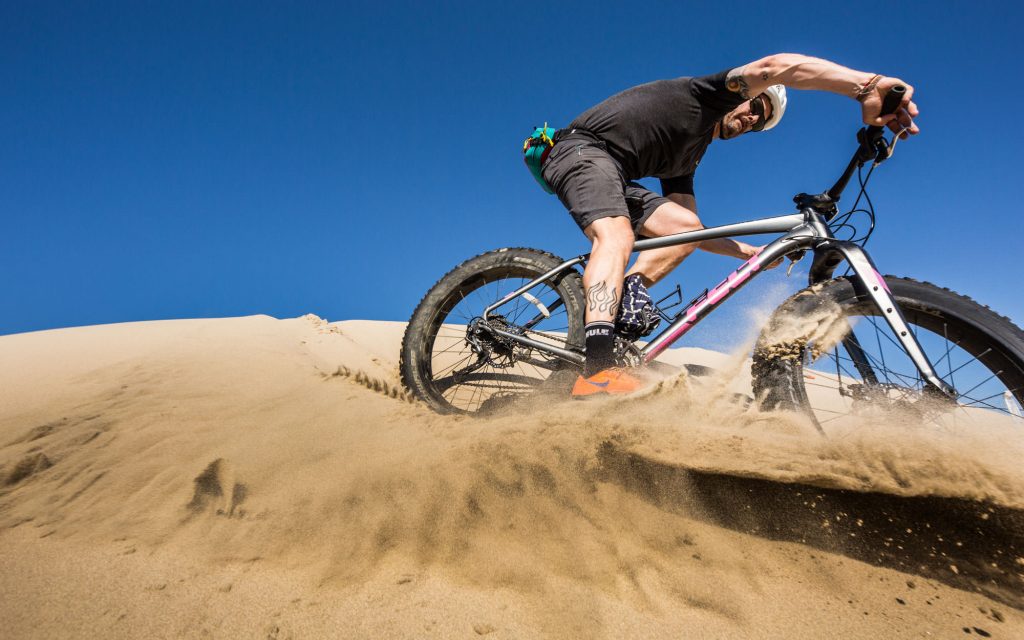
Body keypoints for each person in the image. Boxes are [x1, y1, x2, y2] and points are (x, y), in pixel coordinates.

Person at [537, 53, 919, 397]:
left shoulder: (690, 157)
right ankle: (598, 369)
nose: (752, 118)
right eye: (756, 105)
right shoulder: (704, 97)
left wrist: (752, 253)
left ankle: (624, 293)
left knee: (685, 225)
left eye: (759, 122)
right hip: (580, 150)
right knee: (616, 234)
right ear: (742, 95)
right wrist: (865, 85)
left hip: (616, 175)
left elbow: (695, 232)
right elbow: (774, 68)